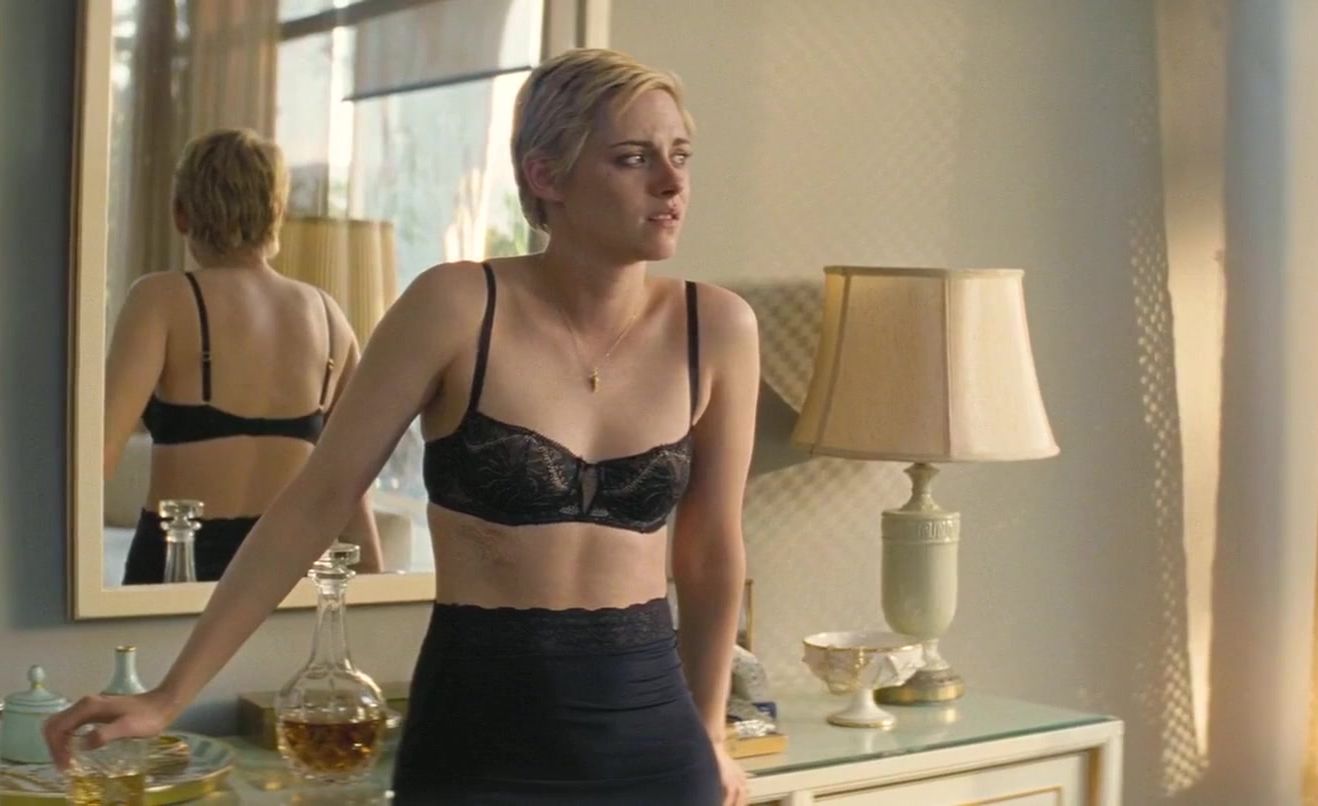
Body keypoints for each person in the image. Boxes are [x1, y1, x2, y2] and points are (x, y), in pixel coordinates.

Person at [49, 49, 758, 806]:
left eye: (681, 155)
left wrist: (711, 732)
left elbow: (709, 551)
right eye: (633, 158)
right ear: (546, 176)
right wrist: (168, 696)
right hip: (476, 745)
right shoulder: (455, 307)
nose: (672, 182)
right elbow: (313, 504)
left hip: (656, 744)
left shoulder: (715, 328)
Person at [105, 128, 382, 582]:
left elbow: (96, 457)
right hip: (282, 576)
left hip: (176, 570)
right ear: (278, 212)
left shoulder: (161, 300)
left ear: (180, 213)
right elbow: (351, 488)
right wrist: (373, 585)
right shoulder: (329, 317)